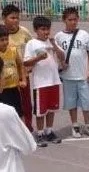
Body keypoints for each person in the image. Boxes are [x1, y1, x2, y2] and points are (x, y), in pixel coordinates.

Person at [54, 7, 89, 138]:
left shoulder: (84, 34)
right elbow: (57, 55)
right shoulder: (59, 37)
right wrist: (61, 65)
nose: (73, 22)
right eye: (70, 20)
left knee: (87, 102)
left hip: (83, 76)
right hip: (68, 76)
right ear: (64, 20)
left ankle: (88, 125)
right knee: (71, 102)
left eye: (75, 19)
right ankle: (75, 125)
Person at [0, 4, 34, 131]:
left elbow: (32, 48)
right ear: (4, 18)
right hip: (2, 86)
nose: (16, 20)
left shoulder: (24, 32)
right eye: (12, 18)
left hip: (20, 78)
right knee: (2, 110)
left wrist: (28, 68)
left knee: (24, 105)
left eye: (17, 18)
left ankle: (26, 128)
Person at [23, 16, 65, 147]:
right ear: (36, 30)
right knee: (40, 111)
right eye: (43, 29)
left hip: (54, 81)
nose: (46, 32)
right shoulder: (32, 44)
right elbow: (26, 62)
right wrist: (38, 58)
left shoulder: (52, 42)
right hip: (40, 83)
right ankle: (40, 133)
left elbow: (62, 56)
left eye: (48, 29)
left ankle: (49, 131)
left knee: (51, 109)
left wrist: (54, 45)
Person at [0, 23, 25, 117]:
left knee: (17, 114)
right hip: (1, 91)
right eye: (2, 40)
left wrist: (23, 79)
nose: (5, 42)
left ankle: (18, 131)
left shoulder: (13, 50)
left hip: (14, 88)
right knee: (3, 116)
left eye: (6, 39)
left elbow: (20, 64)